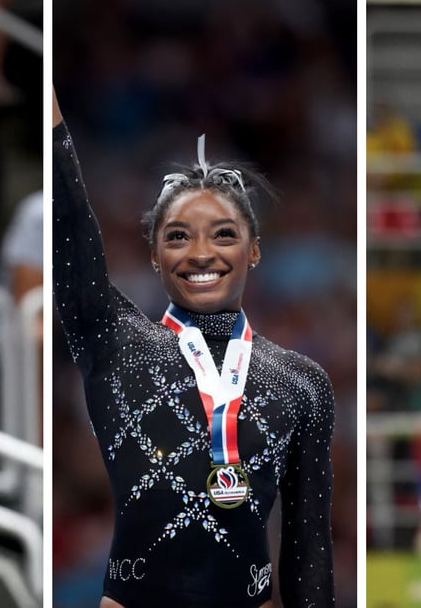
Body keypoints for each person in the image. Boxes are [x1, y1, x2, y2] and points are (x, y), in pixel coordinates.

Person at [52, 85, 336, 607]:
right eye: (178, 236)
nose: (201, 253)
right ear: (155, 256)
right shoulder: (116, 347)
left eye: (223, 235)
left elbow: (308, 550)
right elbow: (68, 225)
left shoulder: (301, 381)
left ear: (254, 250)